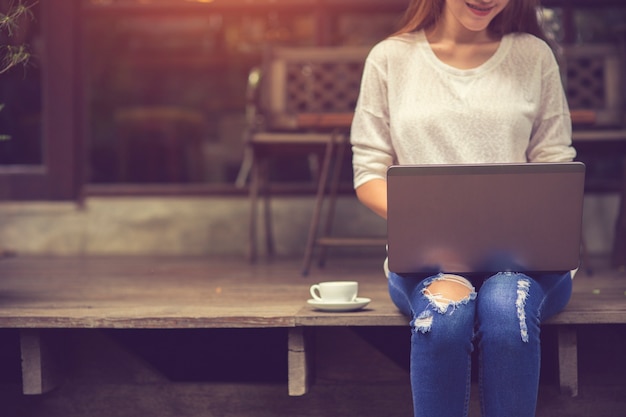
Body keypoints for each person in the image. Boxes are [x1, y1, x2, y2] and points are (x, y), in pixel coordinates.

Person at [350, 0, 576, 416]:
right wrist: (432, 225)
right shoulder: (389, 58)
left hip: (527, 262)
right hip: (428, 262)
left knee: (506, 308)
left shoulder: (533, 55)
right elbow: (368, 173)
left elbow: (555, 162)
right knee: (446, 318)